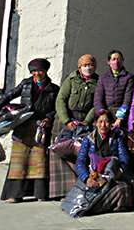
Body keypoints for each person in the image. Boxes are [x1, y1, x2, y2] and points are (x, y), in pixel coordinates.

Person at [0, 58, 59, 202]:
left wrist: (48, 119)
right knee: (19, 160)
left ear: (45, 71)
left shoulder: (54, 89)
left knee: (39, 159)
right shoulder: (25, 84)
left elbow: (55, 109)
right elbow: (8, 96)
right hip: (23, 125)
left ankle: (39, 193)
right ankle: (15, 194)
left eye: (39, 70)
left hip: (40, 127)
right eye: (33, 71)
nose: (36, 74)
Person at [49, 54, 99, 200]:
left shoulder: (98, 82)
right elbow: (61, 99)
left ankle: (81, 187)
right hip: (67, 120)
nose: (88, 68)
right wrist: (66, 120)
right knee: (59, 151)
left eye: (91, 65)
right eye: (85, 65)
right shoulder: (71, 80)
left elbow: (97, 103)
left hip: (85, 121)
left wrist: (87, 121)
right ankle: (60, 190)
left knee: (82, 153)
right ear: (79, 67)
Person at [73, 110, 132, 214]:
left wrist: (117, 173)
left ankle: (93, 207)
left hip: (111, 177)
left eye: (106, 122)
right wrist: (86, 178)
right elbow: (80, 162)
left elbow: (124, 159)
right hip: (93, 177)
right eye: (100, 122)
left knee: (123, 188)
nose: (103, 125)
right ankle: (96, 206)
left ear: (111, 124)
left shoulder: (116, 138)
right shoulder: (88, 139)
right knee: (88, 193)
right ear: (95, 123)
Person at [94, 50, 134, 129]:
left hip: (122, 114)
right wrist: (102, 113)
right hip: (106, 113)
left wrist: (120, 118)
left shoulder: (129, 77)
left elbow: (128, 99)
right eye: (113, 59)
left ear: (122, 61)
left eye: (119, 59)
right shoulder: (103, 78)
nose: (116, 61)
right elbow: (98, 98)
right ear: (108, 62)